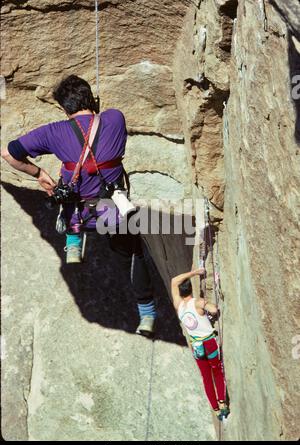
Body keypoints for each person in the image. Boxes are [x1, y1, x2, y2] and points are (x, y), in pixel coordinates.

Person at [1, 74, 156, 336]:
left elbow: (8, 153)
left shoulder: (53, 131)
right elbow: (104, 121)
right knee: (134, 252)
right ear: (91, 99)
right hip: (111, 212)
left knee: (67, 183)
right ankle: (147, 313)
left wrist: (38, 174)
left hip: (79, 212)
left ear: (64, 108)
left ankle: (73, 243)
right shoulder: (115, 119)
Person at [171, 268, 229, 420]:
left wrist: (193, 272)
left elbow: (174, 281)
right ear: (191, 289)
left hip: (197, 347)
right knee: (217, 372)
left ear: (180, 292)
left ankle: (216, 409)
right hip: (209, 343)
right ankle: (222, 403)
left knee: (206, 377)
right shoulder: (198, 303)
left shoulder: (179, 306)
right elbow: (214, 310)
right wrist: (208, 305)